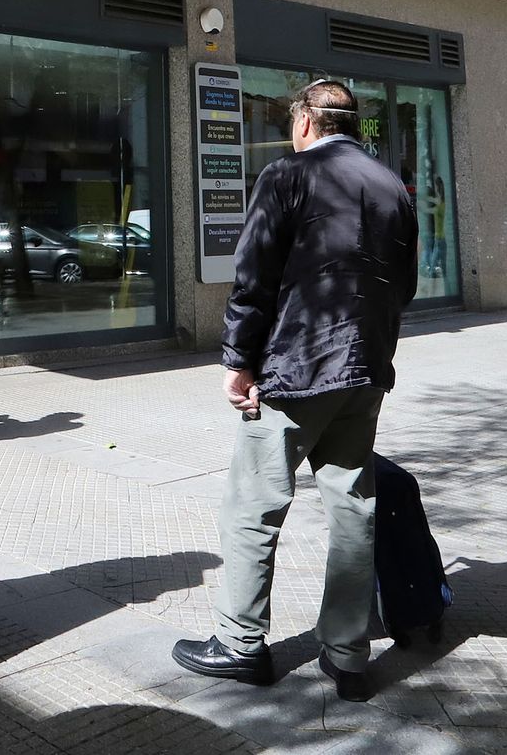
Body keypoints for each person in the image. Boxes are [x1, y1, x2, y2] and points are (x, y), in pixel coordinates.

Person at [171, 79, 418, 703]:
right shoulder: (393, 186)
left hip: (297, 366)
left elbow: (254, 275)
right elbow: (404, 284)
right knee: (352, 505)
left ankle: (239, 643)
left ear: (305, 122)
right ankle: (348, 655)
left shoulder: (287, 175)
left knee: (253, 505)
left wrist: (240, 360)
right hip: (365, 368)